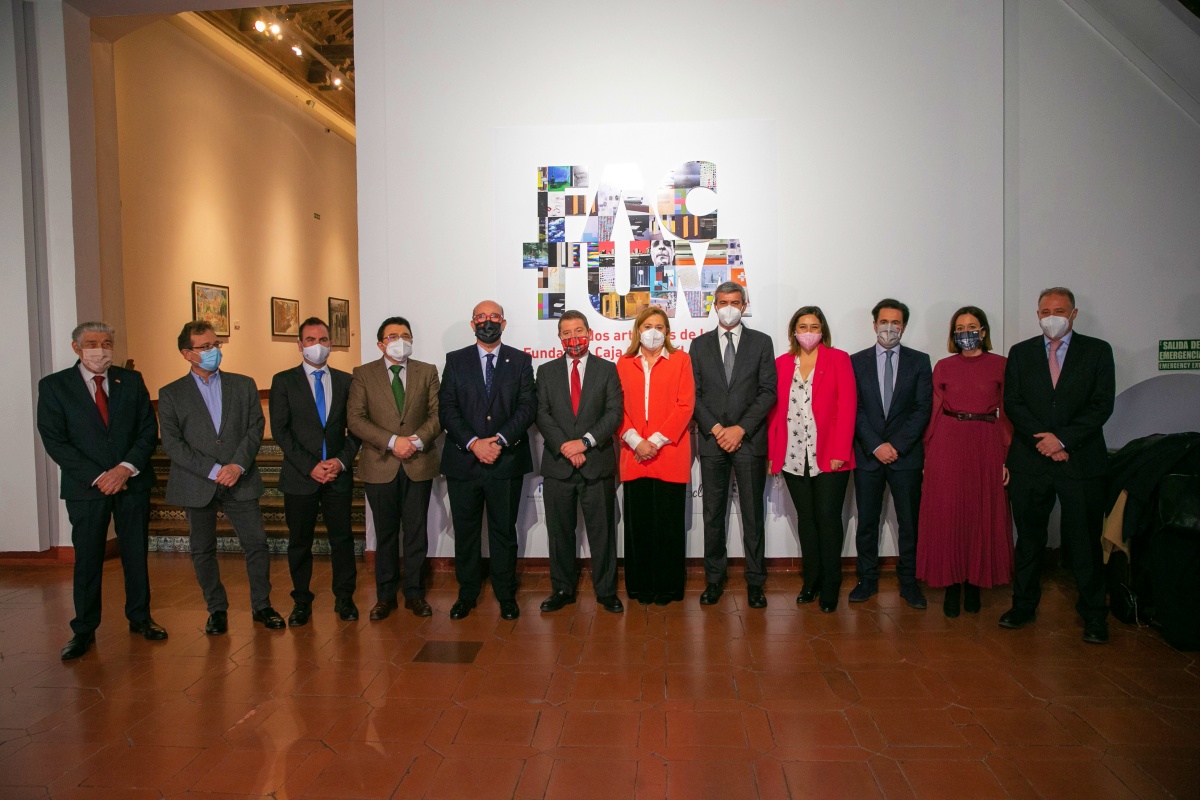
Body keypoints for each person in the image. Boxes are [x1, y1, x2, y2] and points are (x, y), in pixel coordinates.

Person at [36, 322, 166, 660]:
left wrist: (125, 469)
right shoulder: (54, 386)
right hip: (86, 487)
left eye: (107, 343)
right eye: (92, 343)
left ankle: (140, 617)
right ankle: (83, 629)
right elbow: (55, 441)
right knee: (88, 559)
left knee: (135, 553)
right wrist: (99, 476)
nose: (101, 349)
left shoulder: (130, 381)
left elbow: (147, 429)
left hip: (132, 482)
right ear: (76, 348)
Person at [1001, 287, 1115, 644]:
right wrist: (1046, 442)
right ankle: (1023, 606)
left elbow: (1101, 405)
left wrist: (1062, 440)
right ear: (1037, 315)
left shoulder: (1097, 351)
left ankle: (1094, 615)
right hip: (1030, 460)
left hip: (1080, 461)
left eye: (1060, 311)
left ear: (1073, 314)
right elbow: (1013, 403)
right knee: (1029, 539)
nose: (1052, 317)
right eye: (1045, 311)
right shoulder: (1020, 353)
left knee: (1084, 541)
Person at [159, 321, 283, 633]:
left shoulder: (243, 385)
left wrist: (237, 465)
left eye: (215, 344)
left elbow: (255, 427)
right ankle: (216, 610)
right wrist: (214, 470)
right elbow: (173, 444)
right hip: (197, 481)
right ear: (187, 353)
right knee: (202, 549)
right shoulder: (171, 393)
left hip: (240, 478)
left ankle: (262, 606)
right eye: (204, 347)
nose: (213, 351)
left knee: (256, 543)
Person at [439, 301, 537, 620]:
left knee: (503, 532)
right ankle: (467, 593)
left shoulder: (520, 361)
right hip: (463, 461)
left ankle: (505, 593)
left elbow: (527, 407)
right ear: (472, 324)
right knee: (466, 532)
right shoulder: (455, 360)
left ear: (503, 323)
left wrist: (499, 440)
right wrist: (473, 443)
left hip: (505, 460)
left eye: (494, 317)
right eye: (481, 317)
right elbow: (447, 408)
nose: (487, 322)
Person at [917, 307, 1014, 617]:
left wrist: (1006, 457)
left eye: (971, 326)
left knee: (979, 513)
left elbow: (1007, 413)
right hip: (947, 442)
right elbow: (934, 410)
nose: (965, 332)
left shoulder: (1001, 365)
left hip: (986, 442)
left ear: (983, 331)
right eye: (959, 328)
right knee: (948, 514)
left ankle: (974, 584)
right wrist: (928, 453)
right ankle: (951, 584)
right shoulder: (943, 367)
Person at [348, 316, 442, 619]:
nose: (400, 341)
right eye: (392, 336)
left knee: (416, 533)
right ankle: (385, 596)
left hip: (418, 463)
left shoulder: (427, 371)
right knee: (385, 534)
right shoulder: (363, 374)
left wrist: (414, 441)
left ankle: (415, 593)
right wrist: (392, 442)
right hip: (380, 464)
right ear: (380, 344)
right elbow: (356, 418)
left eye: (405, 335)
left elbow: (437, 414)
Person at [269, 317, 361, 626]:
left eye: (322, 340)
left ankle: (344, 598)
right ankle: (301, 601)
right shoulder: (284, 381)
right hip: (300, 476)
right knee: (299, 542)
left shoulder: (347, 381)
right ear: (300, 345)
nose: (317, 345)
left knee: (342, 540)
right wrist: (310, 466)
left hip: (337, 475)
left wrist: (340, 461)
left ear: (330, 344)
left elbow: (356, 429)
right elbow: (281, 431)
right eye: (310, 340)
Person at [691, 282, 777, 608]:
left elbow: (767, 392)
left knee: (753, 516)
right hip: (713, 441)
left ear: (744, 305)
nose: (729, 307)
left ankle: (755, 581)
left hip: (749, 441)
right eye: (723, 302)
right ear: (714, 305)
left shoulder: (761, 342)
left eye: (735, 302)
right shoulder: (699, 345)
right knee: (713, 515)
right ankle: (714, 579)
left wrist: (740, 429)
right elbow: (694, 394)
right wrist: (716, 429)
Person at [767, 306, 856, 613]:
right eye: (802, 326)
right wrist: (773, 454)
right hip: (793, 455)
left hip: (830, 455)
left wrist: (841, 452)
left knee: (828, 520)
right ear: (794, 331)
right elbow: (774, 413)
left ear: (823, 331)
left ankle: (831, 584)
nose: (808, 332)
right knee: (806, 520)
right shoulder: (782, 363)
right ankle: (811, 580)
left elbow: (847, 407)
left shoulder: (838, 359)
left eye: (814, 326)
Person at [536, 310, 624, 614]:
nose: (573, 338)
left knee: (603, 532)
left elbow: (614, 413)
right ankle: (562, 589)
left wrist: (584, 442)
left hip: (596, 463)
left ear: (590, 333)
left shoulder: (607, 369)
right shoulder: (545, 372)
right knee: (559, 533)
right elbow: (542, 414)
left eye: (578, 331)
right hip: (558, 465)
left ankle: (606, 591)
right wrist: (567, 446)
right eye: (566, 333)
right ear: (559, 337)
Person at [848, 299, 933, 609]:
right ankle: (866, 579)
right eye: (883, 321)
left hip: (905, 456)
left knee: (909, 523)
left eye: (895, 322)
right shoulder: (856, 361)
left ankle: (909, 581)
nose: (889, 327)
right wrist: (876, 445)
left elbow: (922, 408)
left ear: (904, 326)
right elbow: (854, 408)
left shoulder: (919, 361)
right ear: (874, 325)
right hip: (868, 456)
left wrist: (895, 445)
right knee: (867, 521)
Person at [617, 307, 695, 605]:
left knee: (668, 525)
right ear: (638, 330)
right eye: (647, 325)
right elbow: (616, 408)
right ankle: (640, 587)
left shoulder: (681, 360)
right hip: (634, 455)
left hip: (669, 453)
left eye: (659, 327)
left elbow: (685, 406)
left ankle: (668, 587)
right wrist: (637, 441)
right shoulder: (623, 363)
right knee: (638, 525)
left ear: (668, 332)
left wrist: (655, 442)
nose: (653, 332)